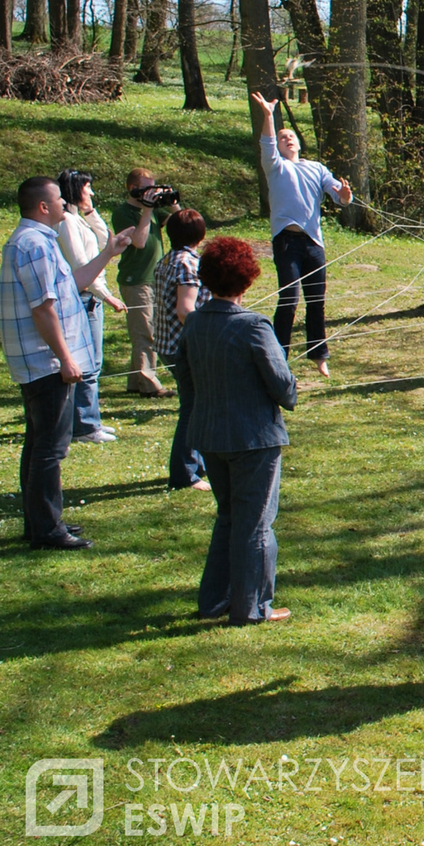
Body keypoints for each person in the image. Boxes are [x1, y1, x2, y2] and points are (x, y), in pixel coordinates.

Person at [0, 176, 136, 549]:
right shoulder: (34, 246)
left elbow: (71, 284)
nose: (65, 204)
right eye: (59, 199)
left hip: (44, 362)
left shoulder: (39, 242)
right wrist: (66, 358)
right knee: (50, 448)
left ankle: (39, 522)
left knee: (40, 442)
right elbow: (44, 309)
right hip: (47, 363)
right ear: (43, 207)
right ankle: (46, 530)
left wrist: (109, 252)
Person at [183, 236, 298, 624]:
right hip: (252, 440)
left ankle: (214, 601)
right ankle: (253, 607)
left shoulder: (195, 322)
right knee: (255, 524)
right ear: (247, 279)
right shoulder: (254, 325)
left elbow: (187, 377)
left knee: (230, 517)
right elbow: (282, 387)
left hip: (211, 435)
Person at [251, 91, 353, 376]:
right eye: (283, 137)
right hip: (286, 242)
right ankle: (278, 356)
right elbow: (267, 143)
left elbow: (340, 196)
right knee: (289, 299)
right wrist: (269, 116)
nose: (288, 139)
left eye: (291, 136)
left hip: (312, 244)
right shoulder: (275, 167)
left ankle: (319, 355)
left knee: (316, 301)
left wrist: (345, 196)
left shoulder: (316, 168)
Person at [53, 169, 124, 444]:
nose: (91, 193)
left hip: (92, 296)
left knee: (94, 362)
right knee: (88, 364)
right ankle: (84, 426)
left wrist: (91, 212)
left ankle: (88, 421)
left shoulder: (79, 220)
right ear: (74, 190)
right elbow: (82, 267)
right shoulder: (67, 223)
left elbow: (109, 244)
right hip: (84, 297)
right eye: (87, 189)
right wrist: (107, 296)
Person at [153, 208, 212, 492]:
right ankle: (185, 474)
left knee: (196, 405)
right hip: (184, 347)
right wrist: (212, 326)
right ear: (200, 236)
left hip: (167, 344)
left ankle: (197, 465)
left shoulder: (166, 260)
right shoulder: (188, 264)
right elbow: (185, 310)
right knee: (192, 408)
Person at [110, 166, 173, 396]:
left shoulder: (155, 211)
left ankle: (134, 381)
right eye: (147, 190)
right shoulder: (123, 213)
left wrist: (171, 201)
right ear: (133, 189)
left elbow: (183, 223)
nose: (151, 195)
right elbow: (139, 241)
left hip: (154, 278)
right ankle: (150, 385)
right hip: (136, 279)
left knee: (144, 330)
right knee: (146, 333)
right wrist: (147, 211)